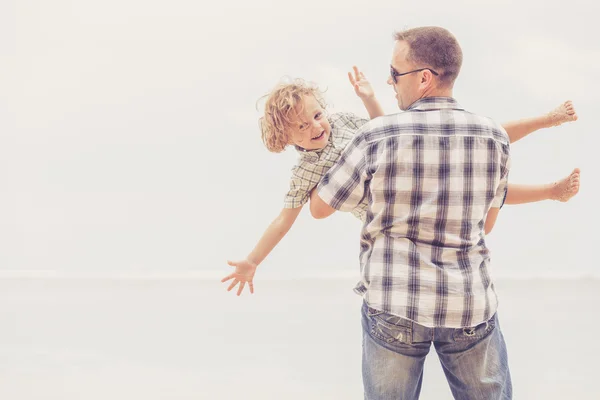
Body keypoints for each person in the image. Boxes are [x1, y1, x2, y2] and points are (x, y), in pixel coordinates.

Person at [309, 26, 572, 399]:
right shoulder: (495, 137)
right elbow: (489, 222)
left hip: (394, 299)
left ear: (424, 79)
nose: (390, 81)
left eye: (395, 73)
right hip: (468, 303)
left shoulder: (377, 135)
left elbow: (320, 208)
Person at [222, 67, 579, 297]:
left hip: (411, 174)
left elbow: (385, 128)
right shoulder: (305, 174)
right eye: (302, 127)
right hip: (398, 215)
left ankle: (547, 139)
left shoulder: (344, 121)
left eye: (317, 115)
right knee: (484, 192)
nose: (316, 127)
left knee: (473, 141)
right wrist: (253, 260)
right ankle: (548, 191)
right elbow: (283, 222)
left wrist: (369, 98)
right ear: (285, 139)